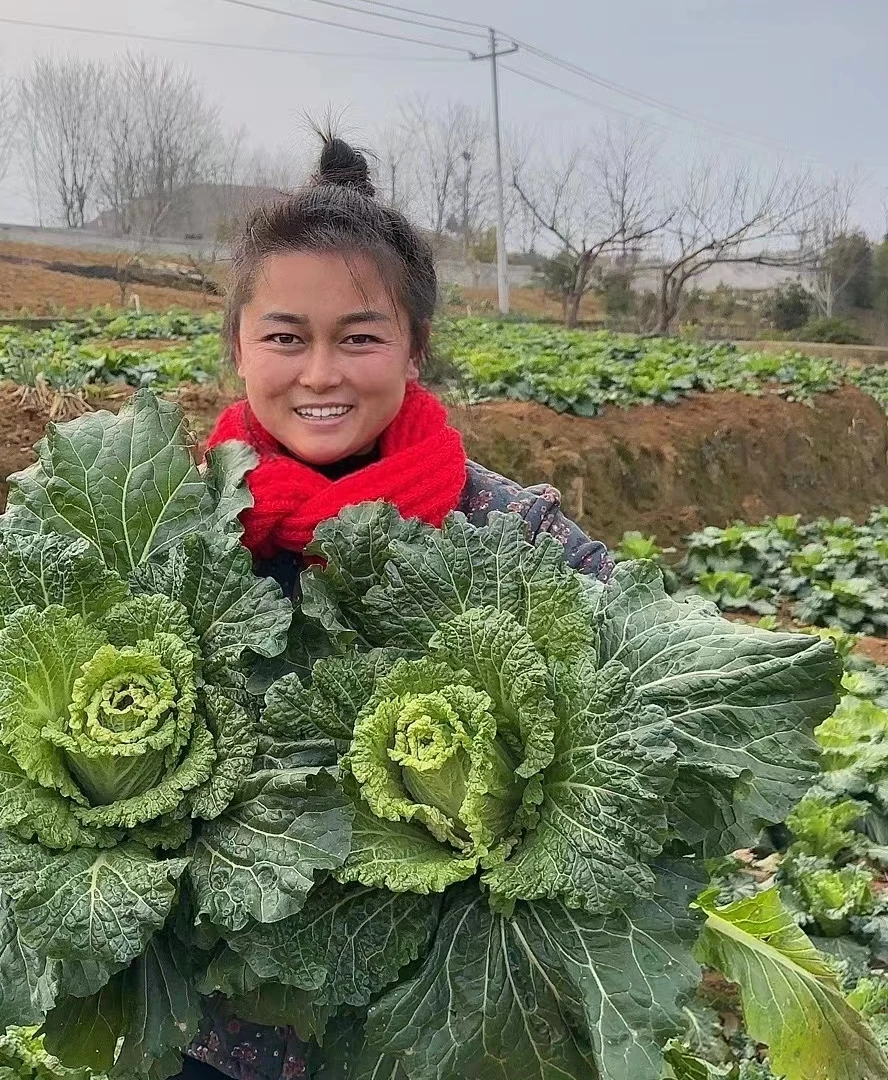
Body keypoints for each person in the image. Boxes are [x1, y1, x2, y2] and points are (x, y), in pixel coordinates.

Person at [183, 132, 613, 1080]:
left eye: (361, 337)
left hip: (436, 1015)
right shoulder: (172, 524)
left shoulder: (508, 531)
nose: (322, 373)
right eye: (286, 337)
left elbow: (651, 682)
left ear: (415, 348)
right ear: (239, 349)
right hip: (214, 1026)